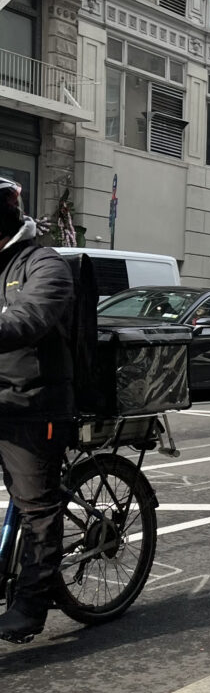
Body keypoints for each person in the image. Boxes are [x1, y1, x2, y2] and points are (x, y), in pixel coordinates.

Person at [0, 178, 75, 644]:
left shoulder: (43, 264)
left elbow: (26, 320)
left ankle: (30, 604)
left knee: (37, 508)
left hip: (32, 403)